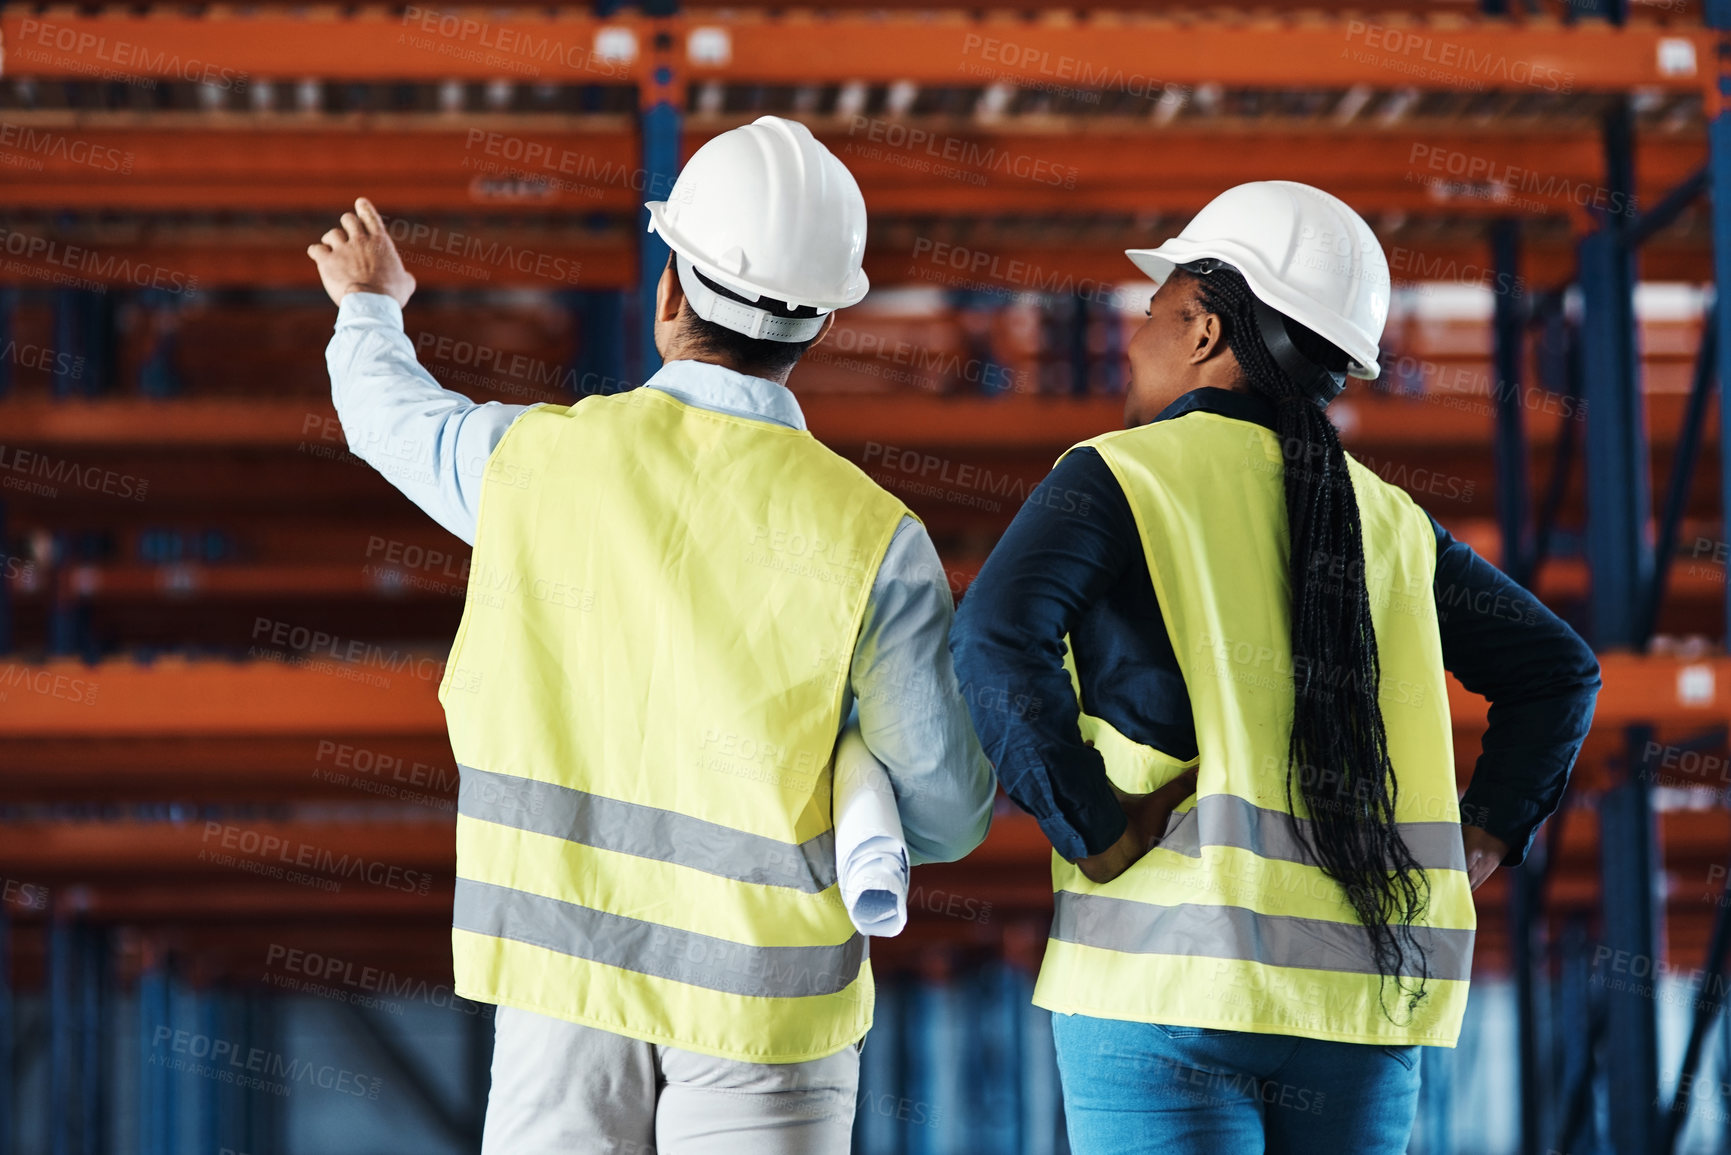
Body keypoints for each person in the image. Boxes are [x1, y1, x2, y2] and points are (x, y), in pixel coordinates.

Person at [307, 115, 994, 1154]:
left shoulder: (533, 466)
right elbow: (944, 812)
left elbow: (386, 415)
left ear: (669, 295)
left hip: (562, 973)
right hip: (768, 1007)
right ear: (819, 326)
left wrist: (370, 304)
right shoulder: (874, 539)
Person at [950, 180, 1600, 1155]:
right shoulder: (1386, 519)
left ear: (1205, 330)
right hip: (1362, 1003)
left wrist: (1088, 825)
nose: (1133, 340)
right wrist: (1486, 835)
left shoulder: (1123, 474)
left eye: (1153, 313)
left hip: (1166, 977)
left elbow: (994, 633)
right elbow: (1558, 671)